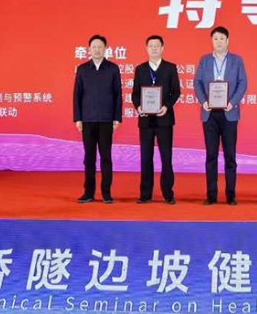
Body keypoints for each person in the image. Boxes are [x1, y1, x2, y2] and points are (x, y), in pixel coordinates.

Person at [193, 26, 246, 205]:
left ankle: (231, 195)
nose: (218, 42)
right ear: (212, 41)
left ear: (227, 41)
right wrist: (203, 101)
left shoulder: (237, 60)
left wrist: (233, 102)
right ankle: (211, 195)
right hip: (209, 113)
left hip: (229, 112)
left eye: (222, 38)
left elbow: (243, 83)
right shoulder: (205, 60)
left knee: (230, 156)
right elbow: (197, 82)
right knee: (211, 156)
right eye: (215, 38)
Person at [72, 34, 122, 203]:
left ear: (105, 49)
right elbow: (77, 95)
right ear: (89, 49)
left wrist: (117, 117)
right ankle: (89, 192)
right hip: (87, 119)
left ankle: (106, 193)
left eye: (100, 47)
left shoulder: (113, 69)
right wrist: (78, 118)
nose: (97, 50)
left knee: (106, 157)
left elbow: (118, 94)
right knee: (89, 158)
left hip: (107, 120)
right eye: (94, 47)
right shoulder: (82, 69)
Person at [132, 34, 181, 204]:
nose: (154, 48)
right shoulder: (140, 69)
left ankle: (168, 194)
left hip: (164, 120)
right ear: (146, 48)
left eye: (157, 45)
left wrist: (166, 106)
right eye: (151, 46)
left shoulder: (170, 68)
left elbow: (176, 92)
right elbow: (135, 94)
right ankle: (145, 194)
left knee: (166, 158)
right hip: (146, 121)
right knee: (146, 158)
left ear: (162, 48)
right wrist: (139, 107)